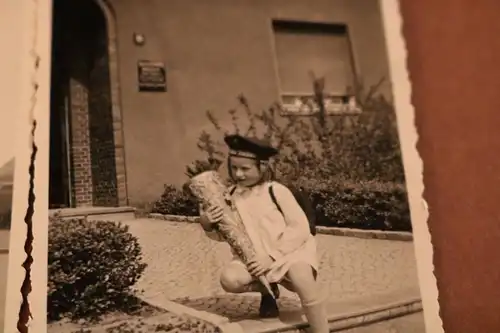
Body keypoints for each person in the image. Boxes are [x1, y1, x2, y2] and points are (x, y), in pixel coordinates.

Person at [198, 134, 329, 333]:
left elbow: (300, 227)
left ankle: (320, 330)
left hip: (289, 253)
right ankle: (269, 290)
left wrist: (271, 256)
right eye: (234, 168)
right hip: (253, 257)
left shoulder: (276, 191)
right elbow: (226, 235)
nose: (239, 174)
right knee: (229, 279)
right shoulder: (230, 196)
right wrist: (208, 223)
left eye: (245, 168)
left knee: (302, 279)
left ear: (262, 166)